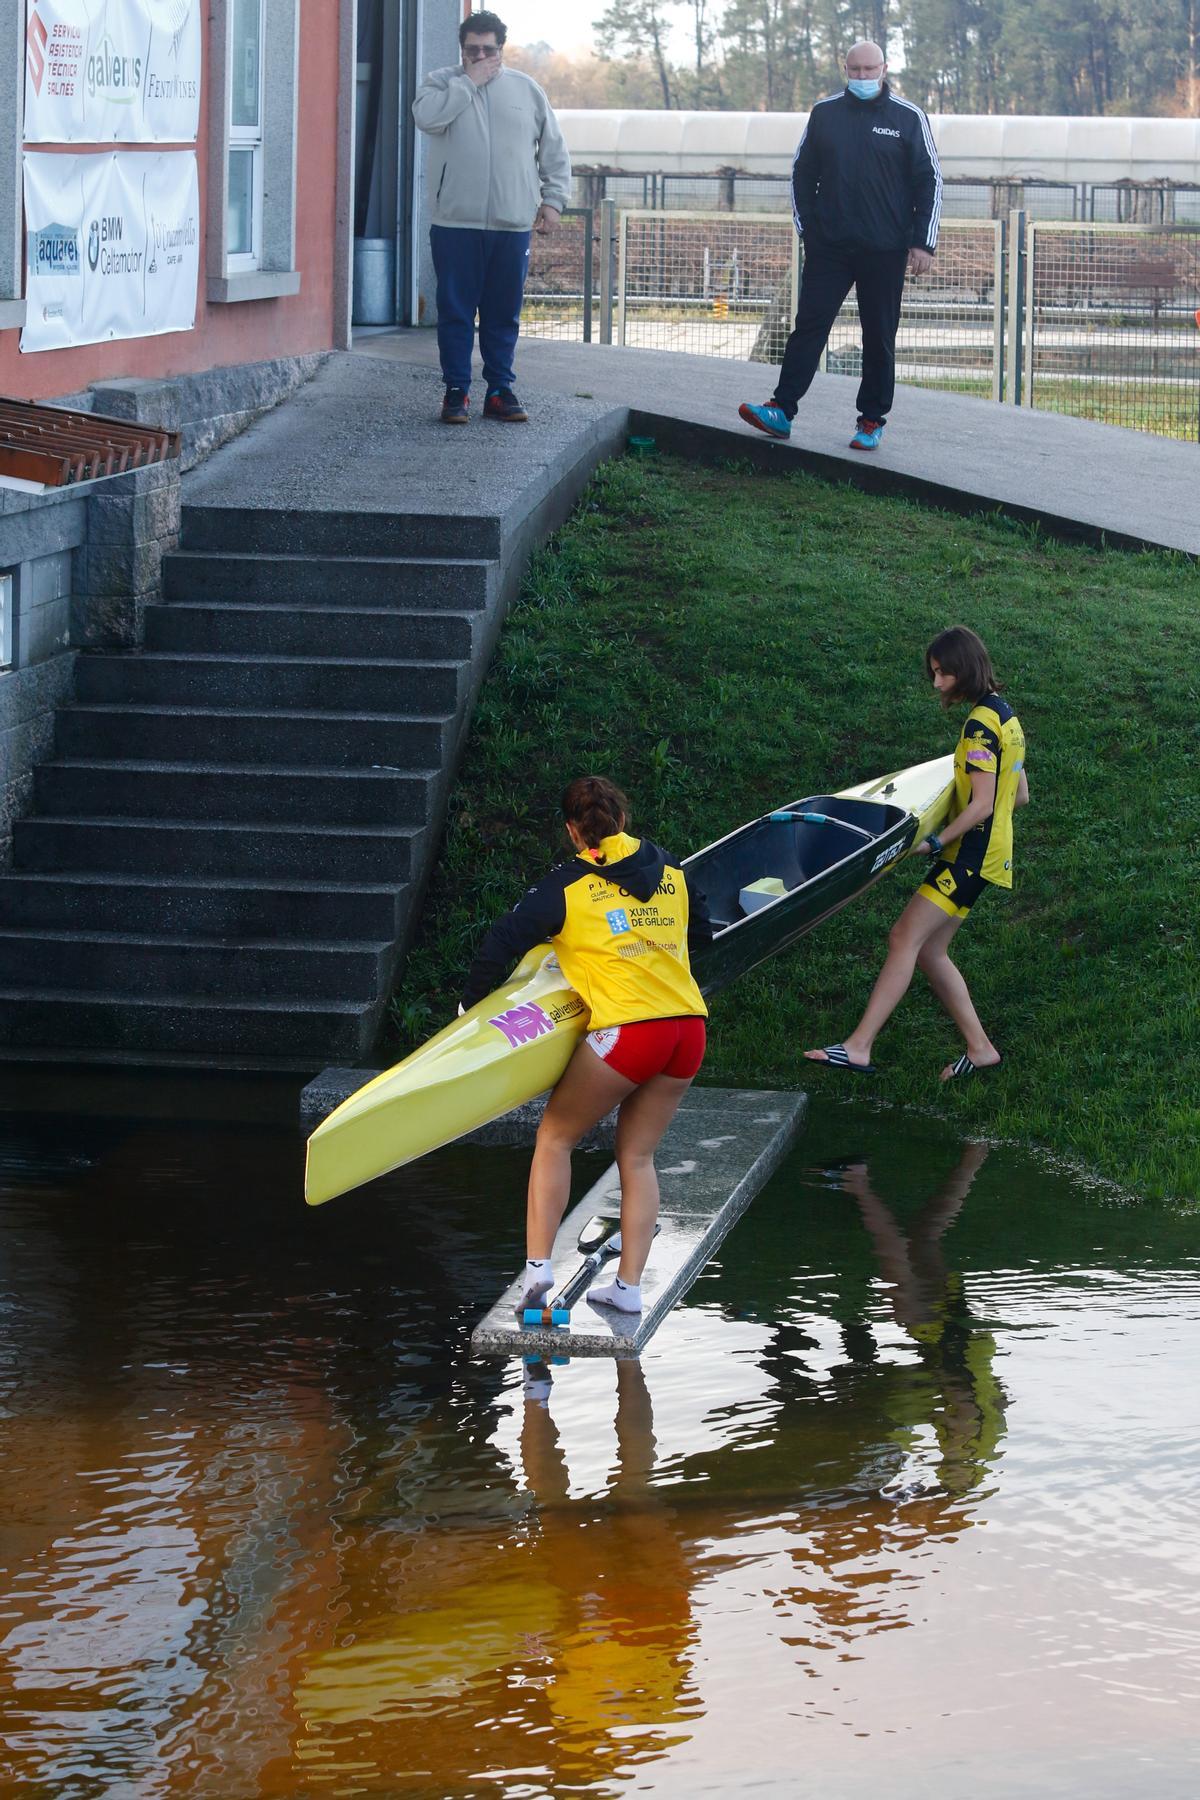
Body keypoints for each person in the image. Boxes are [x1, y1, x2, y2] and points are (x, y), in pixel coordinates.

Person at [460, 777, 711, 1313]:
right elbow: (703, 935)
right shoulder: (671, 867)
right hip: (688, 1029)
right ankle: (628, 1289)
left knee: (555, 1135)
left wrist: (469, 1010)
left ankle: (536, 1270)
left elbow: (501, 940)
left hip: (630, 1032)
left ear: (573, 830)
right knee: (638, 1155)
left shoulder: (568, 885)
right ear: (622, 818)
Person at [805, 625, 1028, 1080]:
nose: (937, 684)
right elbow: (1019, 794)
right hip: (988, 854)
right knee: (929, 951)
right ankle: (981, 1049)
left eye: (943, 673)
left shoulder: (980, 726)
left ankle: (859, 1046)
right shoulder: (1006, 717)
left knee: (903, 938)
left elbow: (984, 803)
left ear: (963, 669)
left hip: (970, 855)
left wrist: (936, 840)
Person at [738, 40, 942, 452]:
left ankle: (870, 420)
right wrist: (808, 229)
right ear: (844, 69)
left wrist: (923, 242)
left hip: (885, 250)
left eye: (870, 70)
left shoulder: (908, 118)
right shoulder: (824, 113)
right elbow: (801, 172)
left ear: (884, 69)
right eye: (855, 70)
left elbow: (930, 180)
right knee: (809, 327)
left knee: (879, 335)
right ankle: (781, 408)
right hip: (829, 247)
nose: (863, 77)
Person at [412, 10, 572, 426]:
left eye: (488, 50)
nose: (480, 56)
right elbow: (426, 119)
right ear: (461, 49)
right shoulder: (440, 85)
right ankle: (456, 392)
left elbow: (554, 151)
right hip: (455, 224)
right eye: (472, 50)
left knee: (503, 313)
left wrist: (553, 201)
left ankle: (500, 390)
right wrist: (469, 83)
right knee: (455, 312)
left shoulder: (527, 90)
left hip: (511, 224)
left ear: (501, 48)